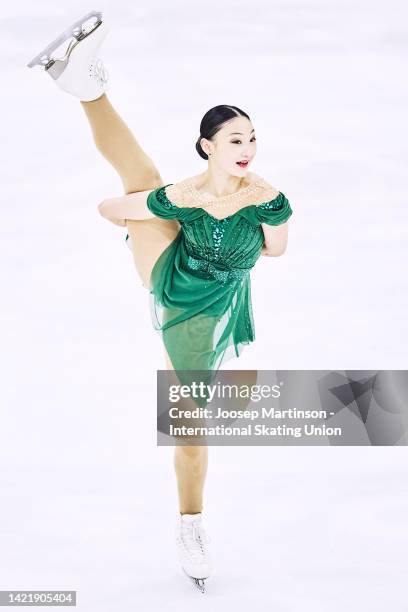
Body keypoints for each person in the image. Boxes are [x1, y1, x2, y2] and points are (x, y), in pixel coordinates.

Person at [27, 11, 293, 593]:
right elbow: (111, 209)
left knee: (190, 420)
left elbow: (276, 252)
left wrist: (261, 213)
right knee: (191, 421)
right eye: (233, 139)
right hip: (176, 288)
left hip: (222, 297)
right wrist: (154, 211)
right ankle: (191, 524)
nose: (246, 148)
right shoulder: (187, 194)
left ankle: (84, 86)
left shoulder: (268, 196)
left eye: (251, 138)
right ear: (207, 146)